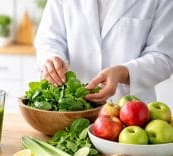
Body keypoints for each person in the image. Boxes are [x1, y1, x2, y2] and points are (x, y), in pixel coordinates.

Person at [34, 0, 173, 103]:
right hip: (72, 107)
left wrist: (124, 72)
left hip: (131, 113)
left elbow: (164, 56)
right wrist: (52, 57)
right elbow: (49, 39)